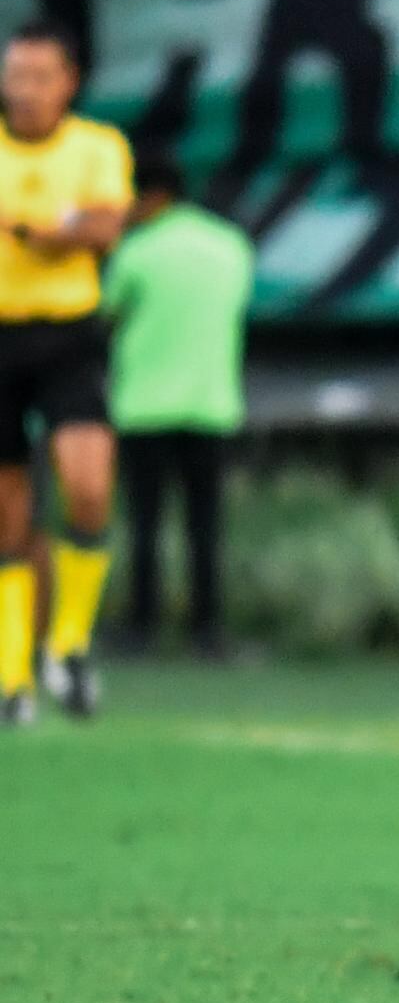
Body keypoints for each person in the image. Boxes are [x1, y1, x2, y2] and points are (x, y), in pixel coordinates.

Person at [0, 28, 128, 725]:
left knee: (87, 489)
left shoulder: (96, 147)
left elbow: (104, 227)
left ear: (68, 82)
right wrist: (54, 228)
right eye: (15, 73)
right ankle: (10, 676)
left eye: (39, 75)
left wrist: (36, 233)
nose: (23, 88)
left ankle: (69, 642)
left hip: (67, 336)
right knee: (8, 516)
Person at [104, 154, 247, 662]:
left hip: (145, 405)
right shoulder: (230, 246)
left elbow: (109, 312)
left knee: (145, 524)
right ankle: (207, 631)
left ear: (153, 195)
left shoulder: (136, 251)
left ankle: (141, 630)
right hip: (211, 403)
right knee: (204, 527)